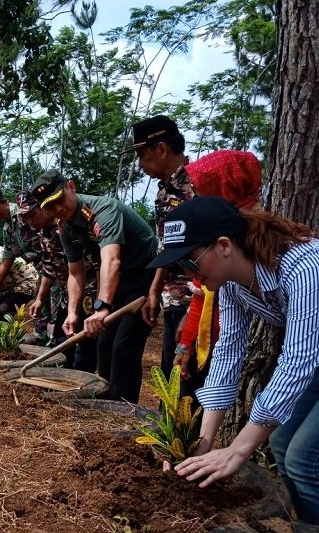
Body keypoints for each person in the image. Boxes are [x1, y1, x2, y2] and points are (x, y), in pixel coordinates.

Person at [147, 196, 319, 532]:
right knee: (282, 444)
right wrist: (206, 440)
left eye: (190, 263)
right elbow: (227, 356)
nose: (188, 277)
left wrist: (239, 450)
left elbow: (297, 361)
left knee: (307, 461)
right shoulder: (232, 287)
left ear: (224, 245)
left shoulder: (306, 267)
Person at [32, 169, 158, 403]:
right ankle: (110, 402)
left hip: (145, 275)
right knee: (104, 345)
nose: (58, 209)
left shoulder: (103, 210)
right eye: (50, 206)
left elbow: (112, 259)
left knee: (124, 348)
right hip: (117, 279)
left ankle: (125, 409)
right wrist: (72, 312)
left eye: (59, 200)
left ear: (71, 187)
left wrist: (102, 308)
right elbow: (75, 272)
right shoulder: (66, 228)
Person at [173, 149, 263, 403]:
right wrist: (186, 343)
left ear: (223, 185)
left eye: (201, 190)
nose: (194, 197)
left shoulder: (253, 241)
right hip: (215, 346)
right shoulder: (210, 246)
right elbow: (202, 295)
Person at [130, 115, 197, 383]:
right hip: (173, 297)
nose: (140, 164)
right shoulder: (164, 191)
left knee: (185, 375)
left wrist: (195, 310)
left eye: (142, 155)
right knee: (171, 369)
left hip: (194, 298)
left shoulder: (196, 186)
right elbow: (165, 246)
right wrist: (155, 290)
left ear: (161, 149)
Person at [17, 189, 98, 371]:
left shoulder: (67, 226)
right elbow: (49, 269)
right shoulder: (44, 233)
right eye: (25, 217)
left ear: (44, 207)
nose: (30, 221)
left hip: (88, 293)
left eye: (32, 214)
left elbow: (91, 264)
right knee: (61, 342)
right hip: (66, 295)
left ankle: (84, 387)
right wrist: (39, 299)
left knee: (85, 347)